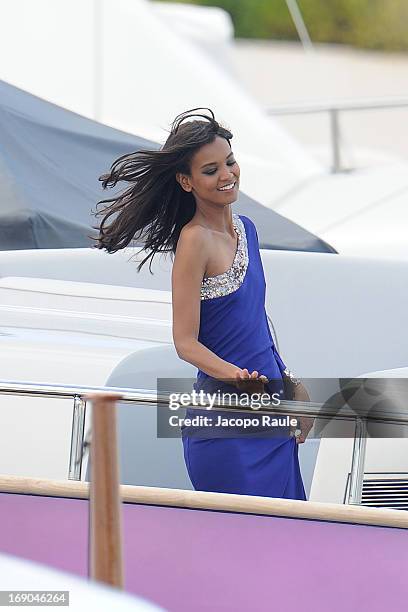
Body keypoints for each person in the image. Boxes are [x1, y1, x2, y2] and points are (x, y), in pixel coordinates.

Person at [95, 108, 313, 500]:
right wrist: (236, 377)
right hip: (223, 424)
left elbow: (256, 322)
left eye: (230, 162)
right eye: (211, 170)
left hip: (272, 417)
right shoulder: (193, 241)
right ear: (186, 181)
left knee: (288, 543)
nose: (227, 175)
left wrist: (291, 384)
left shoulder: (248, 230)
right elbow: (185, 342)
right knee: (244, 544)